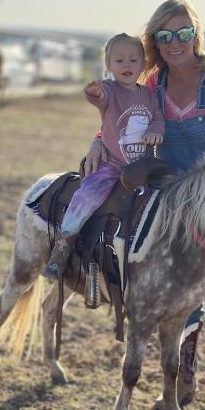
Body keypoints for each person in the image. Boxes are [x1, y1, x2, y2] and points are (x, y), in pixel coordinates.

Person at [84, 0, 205, 410]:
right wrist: (96, 140)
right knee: (183, 303)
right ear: (155, 41)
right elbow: (125, 117)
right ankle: (184, 380)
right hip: (174, 216)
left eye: (183, 33)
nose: (175, 42)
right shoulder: (153, 82)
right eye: (165, 35)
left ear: (195, 34)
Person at [43, 33, 164, 280]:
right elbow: (99, 98)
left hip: (142, 166)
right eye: (119, 61)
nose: (127, 65)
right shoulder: (110, 89)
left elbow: (158, 119)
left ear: (143, 64)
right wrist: (94, 92)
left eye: (133, 60)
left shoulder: (148, 95)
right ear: (108, 66)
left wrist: (154, 131)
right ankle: (62, 247)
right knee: (87, 195)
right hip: (112, 164)